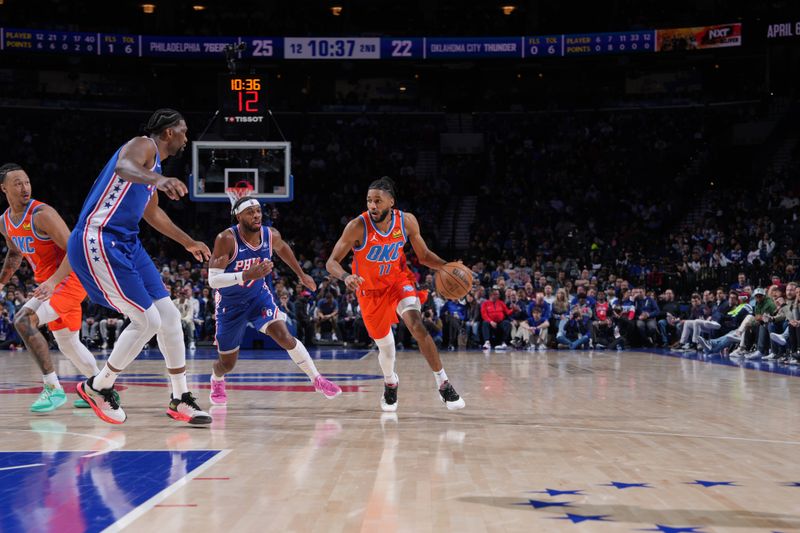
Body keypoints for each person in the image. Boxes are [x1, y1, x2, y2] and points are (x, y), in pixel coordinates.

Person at [67, 109, 212, 425]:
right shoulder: (143, 145)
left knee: (170, 317)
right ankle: (99, 386)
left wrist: (187, 241)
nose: (187, 138)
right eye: (183, 131)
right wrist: (159, 180)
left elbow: (152, 214)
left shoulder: (154, 167)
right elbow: (123, 166)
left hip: (128, 243)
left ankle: (180, 398)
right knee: (147, 320)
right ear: (169, 133)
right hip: (99, 238)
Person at [326, 176, 465, 412]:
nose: (372, 205)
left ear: (391, 202)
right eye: (369, 200)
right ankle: (390, 382)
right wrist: (345, 276)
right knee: (387, 349)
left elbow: (423, 256)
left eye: (378, 201)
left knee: (417, 325)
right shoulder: (357, 226)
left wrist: (446, 266)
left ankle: (443, 383)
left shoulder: (407, 221)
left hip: (398, 281)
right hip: (370, 292)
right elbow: (332, 262)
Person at [207, 195, 341, 406]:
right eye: (250, 212)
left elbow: (283, 248)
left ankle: (317, 378)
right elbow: (213, 280)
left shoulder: (270, 235)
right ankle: (217, 379)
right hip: (230, 305)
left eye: (258, 210)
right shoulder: (226, 239)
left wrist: (301, 274)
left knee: (284, 336)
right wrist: (246, 275)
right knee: (227, 364)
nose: (257, 215)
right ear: (238, 216)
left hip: (258, 297)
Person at [0, 163, 101, 412]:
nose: (25, 187)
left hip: (71, 278)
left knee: (23, 320)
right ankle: (101, 390)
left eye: (27, 182)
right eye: (17, 183)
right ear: (4, 188)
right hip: (48, 284)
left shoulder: (41, 214)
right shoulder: (5, 222)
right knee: (68, 342)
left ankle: (53, 389)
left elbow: (75, 251)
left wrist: (54, 282)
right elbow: (14, 255)